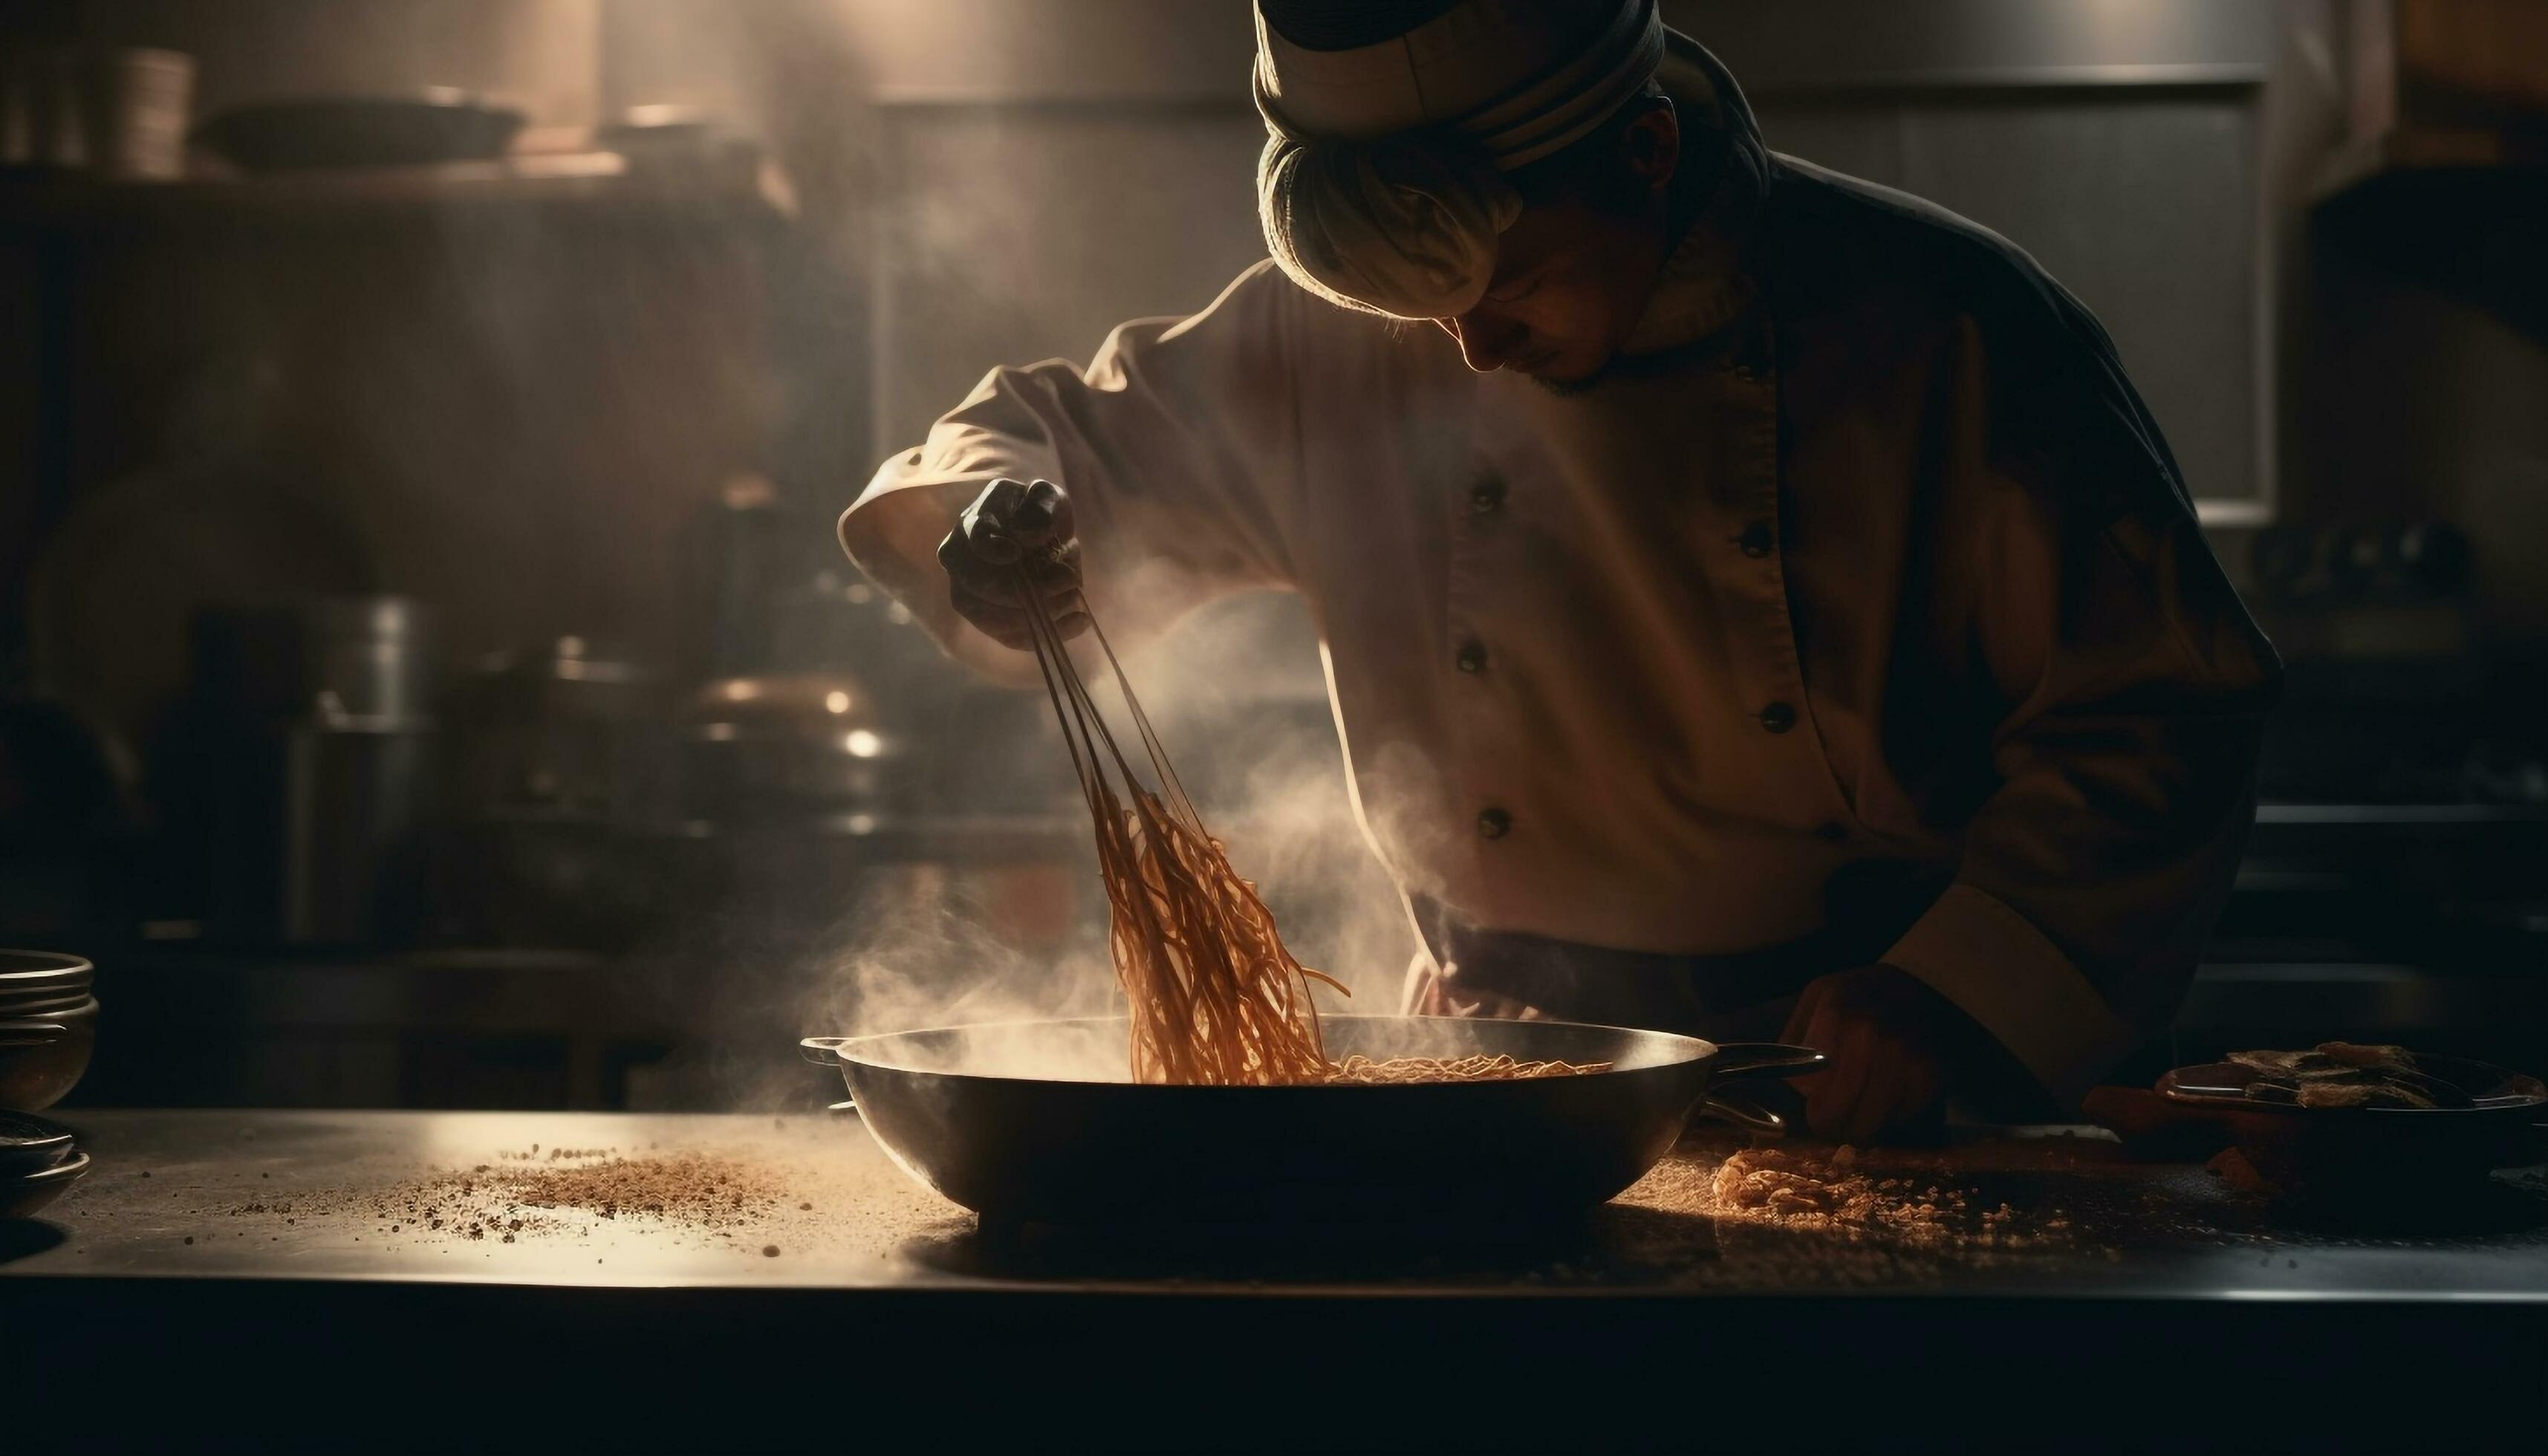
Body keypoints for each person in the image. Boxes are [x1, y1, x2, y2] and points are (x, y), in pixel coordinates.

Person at [839, 0, 2281, 1141]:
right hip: (1500, 1077)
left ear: (1644, 151)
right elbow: (1032, 433)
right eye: (1423, 304)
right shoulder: (1331, 334)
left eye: (1510, 284)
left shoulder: (1945, 333)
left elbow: (2163, 701)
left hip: (1863, 1087)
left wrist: (1952, 992)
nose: (1466, 347)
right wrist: (992, 517)